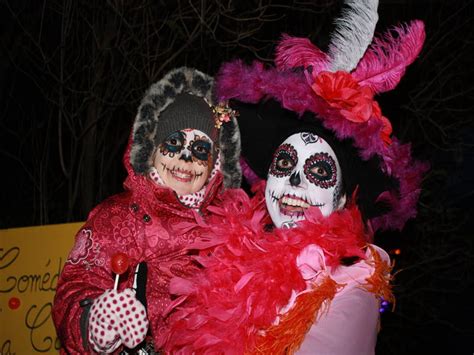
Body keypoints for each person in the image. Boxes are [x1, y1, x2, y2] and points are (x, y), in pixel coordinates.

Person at [161, 2, 427, 353]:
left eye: (319, 170)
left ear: (343, 198)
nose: (295, 182)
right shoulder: (232, 264)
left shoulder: (354, 283)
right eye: (284, 164)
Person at [52, 67, 241, 354]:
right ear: (151, 150)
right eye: (173, 143)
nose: (185, 158)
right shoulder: (116, 218)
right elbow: (77, 285)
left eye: (201, 149)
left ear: (215, 164)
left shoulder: (231, 228)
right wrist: (95, 322)